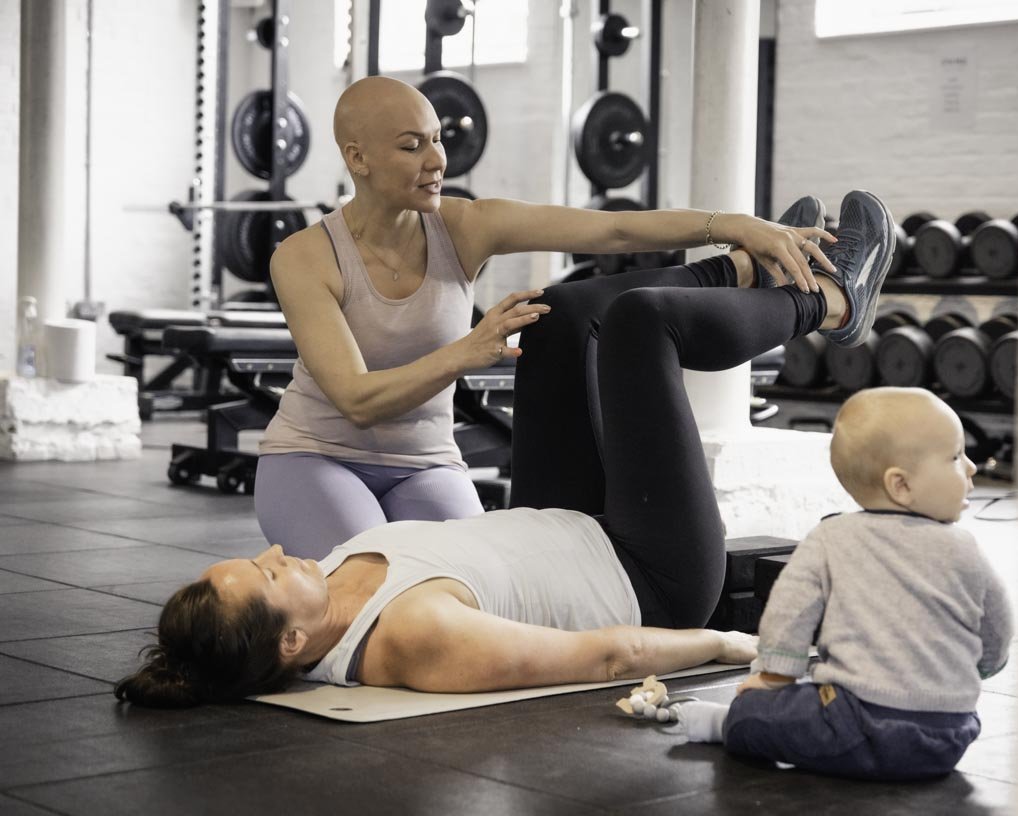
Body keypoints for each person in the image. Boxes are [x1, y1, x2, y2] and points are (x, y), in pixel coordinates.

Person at [112, 190, 896, 708]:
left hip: (564, 517)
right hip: (647, 573)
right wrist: (739, 644)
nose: (277, 551)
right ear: (289, 642)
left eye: (260, 558)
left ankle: (745, 267)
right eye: (267, 572)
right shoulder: (414, 638)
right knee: (642, 324)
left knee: (550, 318)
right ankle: (827, 301)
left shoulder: (335, 580)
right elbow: (607, 657)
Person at [256, 75, 843, 558]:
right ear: (357, 158)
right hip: (317, 456)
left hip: (426, 465)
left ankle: (747, 270)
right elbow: (356, 400)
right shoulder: (305, 257)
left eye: (437, 140)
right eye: (412, 146)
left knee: (478, 591)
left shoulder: (463, 226)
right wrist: (467, 350)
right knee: (377, 590)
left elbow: (610, 229)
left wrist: (732, 225)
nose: (437, 159)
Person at [680, 387, 1014, 782]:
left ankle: (726, 726)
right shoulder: (966, 548)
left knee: (757, 713)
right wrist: (977, 668)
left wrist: (774, 676)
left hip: (857, 723)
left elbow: (789, 613)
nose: (973, 467)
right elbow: (998, 625)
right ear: (901, 485)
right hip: (949, 735)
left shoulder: (830, 537)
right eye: (957, 456)